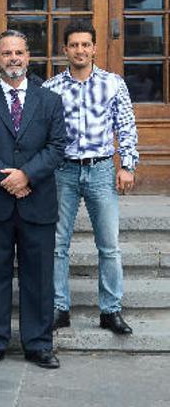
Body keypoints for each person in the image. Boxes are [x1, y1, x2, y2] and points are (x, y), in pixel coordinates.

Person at [0, 30, 65, 369]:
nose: (13, 59)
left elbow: (56, 147)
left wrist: (27, 176)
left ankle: (38, 344)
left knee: (39, 276)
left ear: (28, 57)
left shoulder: (49, 100)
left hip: (37, 200)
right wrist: (7, 178)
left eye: (19, 52)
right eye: (6, 53)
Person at [43, 20, 139, 335]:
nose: (80, 50)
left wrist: (127, 165)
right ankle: (60, 308)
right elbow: (42, 134)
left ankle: (110, 311)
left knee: (109, 244)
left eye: (86, 44)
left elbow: (125, 125)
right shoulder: (52, 88)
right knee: (58, 244)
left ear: (94, 48)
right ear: (65, 49)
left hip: (101, 170)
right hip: (64, 171)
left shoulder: (113, 83)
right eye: (74, 45)